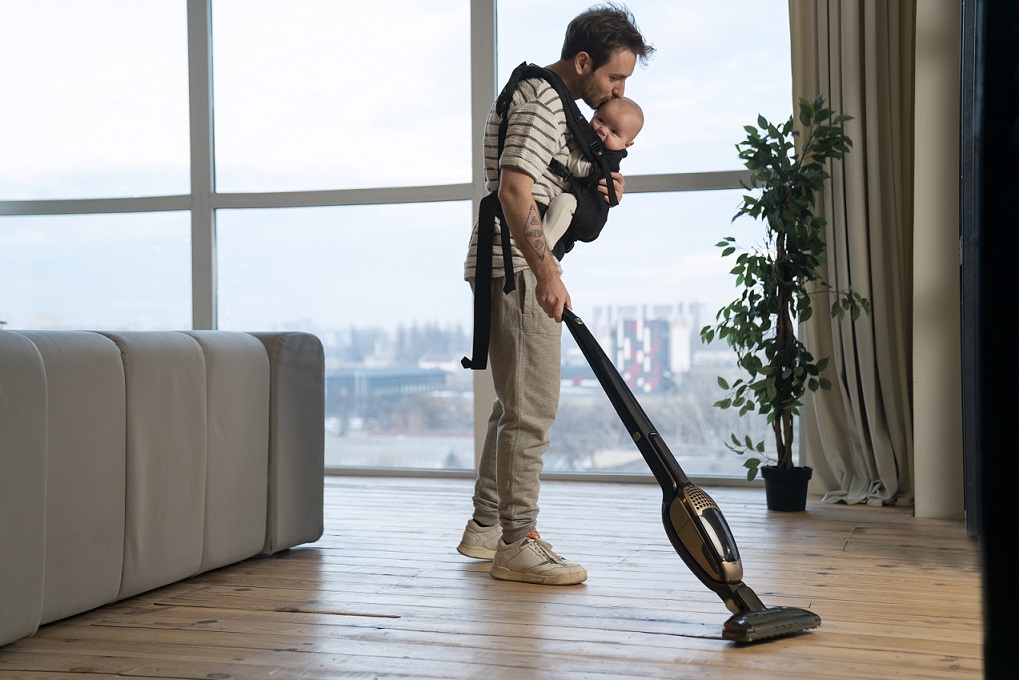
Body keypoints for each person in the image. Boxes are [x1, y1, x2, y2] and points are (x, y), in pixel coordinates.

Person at [459, 3, 654, 586]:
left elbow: (541, 174)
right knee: (534, 411)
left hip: (506, 263)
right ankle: (519, 542)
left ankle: (487, 526)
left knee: (513, 406)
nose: (616, 90)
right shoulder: (545, 98)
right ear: (584, 61)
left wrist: (598, 178)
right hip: (518, 268)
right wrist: (546, 272)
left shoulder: (548, 102)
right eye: (614, 78)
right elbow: (516, 189)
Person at [544, 96, 644, 259]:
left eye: (614, 132)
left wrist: (572, 150)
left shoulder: (610, 160)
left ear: (627, 144)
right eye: (600, 120)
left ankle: (543, 245)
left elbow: (582, 170)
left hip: (589, 216)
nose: (602, 130)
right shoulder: (589, 141)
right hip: (581, 202)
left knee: (564, 203)